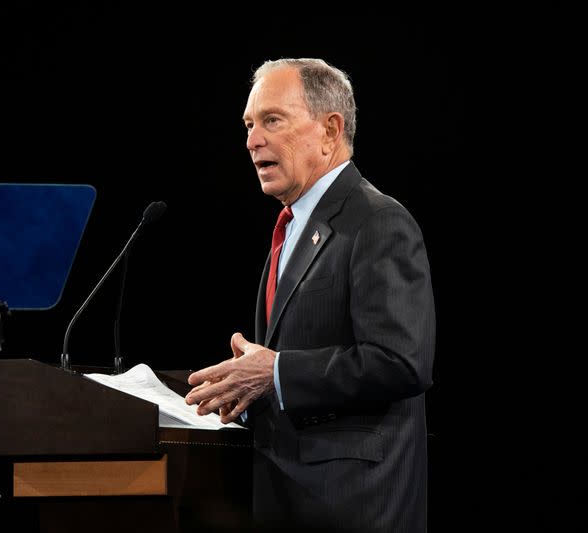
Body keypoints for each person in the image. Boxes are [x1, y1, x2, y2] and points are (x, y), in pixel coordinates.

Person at [184, 58, 436, 532]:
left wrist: (274, 370)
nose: (252, 140)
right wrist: (242, 389)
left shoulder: (378, 221)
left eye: (272, 120)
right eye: (249, 125)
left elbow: (402, 361)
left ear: (330, 130)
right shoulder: (293, 225)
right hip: (287, 500)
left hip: (355, 506)